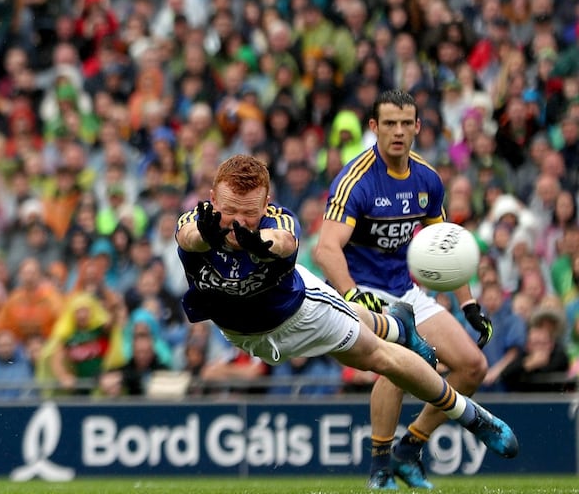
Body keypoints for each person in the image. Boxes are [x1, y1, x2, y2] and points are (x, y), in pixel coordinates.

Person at [175, 154, 518, 474]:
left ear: (266, 204)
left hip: (302, 315)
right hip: (240, 334)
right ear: (212, 199)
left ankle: (474, 417)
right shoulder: (197, 221)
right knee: (365, 330)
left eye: (249, 213)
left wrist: (260, 241)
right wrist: (206, 236)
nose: (238, 222)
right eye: (229, 210)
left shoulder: (277, 221)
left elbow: (284, 241)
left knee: (380, 358)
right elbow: (187, 236)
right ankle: (398, 324)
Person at [313, 89, 494, 490]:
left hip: (406, 292)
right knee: (396, 364)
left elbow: (444, 247)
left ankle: (409, 448)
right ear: (374, 127)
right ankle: (379, 468)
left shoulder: (428, 179)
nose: (398, 131)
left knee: (472, 366)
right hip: (360, 294)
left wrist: (469, 304)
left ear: (417, 127)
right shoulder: (356, 179)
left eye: (405, 123)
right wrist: (351, 295)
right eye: (389, 123)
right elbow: (325, 249)